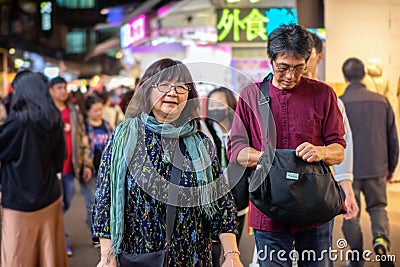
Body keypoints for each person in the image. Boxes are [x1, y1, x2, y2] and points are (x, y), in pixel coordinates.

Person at [92, 58, 243, 267]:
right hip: (140, 256)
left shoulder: (200, 143)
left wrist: (231, 254)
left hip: (193, 256)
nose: (173, 92)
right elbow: (105, 200)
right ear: (147, 90)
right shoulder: (124, 138)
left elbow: (221, 204)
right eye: (164, 84)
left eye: (181, 87)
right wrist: (107, 256)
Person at [229, 24, 346, 266]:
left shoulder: (323, 94)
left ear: (307, 62)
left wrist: (321, 151)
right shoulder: (250, 95)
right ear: (270, 59)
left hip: (314, 207)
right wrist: (266, 159)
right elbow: (236, 151)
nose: (290, 76)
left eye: (298, 68)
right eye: (283, 68)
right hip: (268, 209)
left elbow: (338, 150)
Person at [0, 70, 68, 266]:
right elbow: (58, 162)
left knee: (18, 256)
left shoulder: (18, 121)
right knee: (48, 254)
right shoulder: (54, 119)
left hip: (19, 202)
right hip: (50, 197)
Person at [340, 57, 399, 267]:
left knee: (349, 213)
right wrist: (391, 168)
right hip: (377, 168)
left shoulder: (339, 103)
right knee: (378, 208)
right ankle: (381, 241)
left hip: (348, 171)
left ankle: (356, 257)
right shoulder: (382, 101)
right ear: (364, 75)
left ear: (345, 77)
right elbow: (393, 138)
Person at [303, 32, 359, 223]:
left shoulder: (330, 98)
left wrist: (347, 188)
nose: (300, 62)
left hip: (319, 191)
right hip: (279, 194)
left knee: (317, 250)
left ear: (319, 56)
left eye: (306, 54)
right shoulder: (271, 96)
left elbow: (344, 143)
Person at [49, 76, 93, 256]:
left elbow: (83, 139)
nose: (63, 91)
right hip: (53, 169)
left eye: (64, 87)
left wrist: (87, 164)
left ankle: (58, 237)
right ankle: (62, 241)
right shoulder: (47, 112)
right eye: (59, 88)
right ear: (51, 90)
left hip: (70, 167)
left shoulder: (73, 112)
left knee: (66, 202)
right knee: (58, 206)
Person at [82, 95, 113, 248]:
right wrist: (85, 166)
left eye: (100, 110)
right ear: (87, 111)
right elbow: (82, 150)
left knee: (104, 203)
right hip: (90, 171)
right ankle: (95, 234)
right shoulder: (83, 128)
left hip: (105, 171)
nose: (99, 113)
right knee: (92, 203)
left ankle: (103, 233)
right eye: (95, 111)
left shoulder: (107, 125)